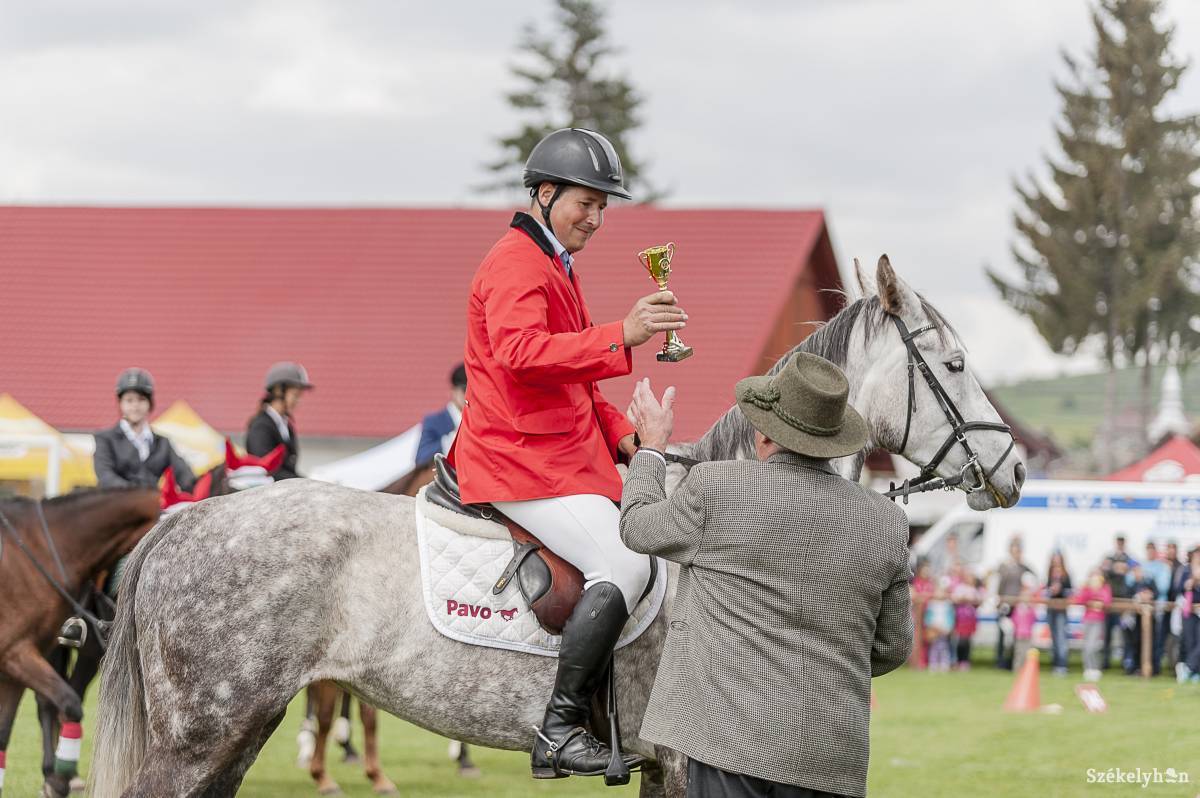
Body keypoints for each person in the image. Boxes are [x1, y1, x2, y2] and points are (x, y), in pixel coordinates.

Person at [447, 128, 688, 779]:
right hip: (516, 459)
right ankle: (557, 729)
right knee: (626, 560)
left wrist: (625, 437)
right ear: (546, 193)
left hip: (553, 453)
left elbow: (574, 383)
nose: (596, 218)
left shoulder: (554, 263)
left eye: (603, 206)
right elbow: (520, 355)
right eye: (587, 202)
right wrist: (622, 334)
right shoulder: (516, 262)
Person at [620, 354, 912, 798]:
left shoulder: (715, 488)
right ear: (835, 441)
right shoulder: (887, 522)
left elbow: (637, 527)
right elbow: (892, 647)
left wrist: (650, 449)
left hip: (726, 747)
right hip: (833, 758)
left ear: (763, 434)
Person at [94, 368, 196, 491]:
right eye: (129, 400)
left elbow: (185, 476)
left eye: (141, 399)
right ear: (120, 404)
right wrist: (138, 494)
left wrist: (204, 484)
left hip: (153, 502)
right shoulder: (105, 439)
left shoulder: (163, 443)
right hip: (117, 501)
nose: (135, 405)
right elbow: (106, 476)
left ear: (149, 403)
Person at [246, 361, 313, 480]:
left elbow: (288, 469)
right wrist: (301, 481)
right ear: (278, 391)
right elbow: (266, 469)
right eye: (295, 395)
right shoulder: (260, 427)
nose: (298, 401)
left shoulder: (286, 426)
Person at [416, 363, 467, 468]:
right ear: (453, 391)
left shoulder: (481, 422)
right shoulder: (434, 421)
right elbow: (421, 458)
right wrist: (450, 441)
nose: (469, 395)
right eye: (465, 390)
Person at [993, 538, 1033, 669]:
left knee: (1016, 635)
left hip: (1017, 606)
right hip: (1004, 605)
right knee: (1002, 634)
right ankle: (1000, 661)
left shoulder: (1023, 567)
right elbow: (998, 584)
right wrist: (998, 601)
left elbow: (1032, 578)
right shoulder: (1003, 566)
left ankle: (1013, 662)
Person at [1102, 533, 1135, 669]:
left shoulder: (1129, 559)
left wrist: (1119, 568)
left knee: (1125, 634)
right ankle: (1105, 662)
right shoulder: (1109, 557)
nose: (1120, 544)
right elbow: (1104, 570)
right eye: (1119, 542)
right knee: (1107, 634)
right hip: (1110, 601)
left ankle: (1126, 662)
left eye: (1122, 542)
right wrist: (1116, 568)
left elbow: (1134, 571)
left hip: (1123, 602)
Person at [1075, 569, 1112, 683]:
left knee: (1093, 647)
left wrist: (1096, 593)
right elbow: (1079, 600)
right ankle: (1087, 668)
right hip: (1087, 620)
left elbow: (1106, 601)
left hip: (1098, 621)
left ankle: (1095, 668)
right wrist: (1087, 589)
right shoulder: (1087, 588)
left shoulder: (1105, 588)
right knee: (1086, 646)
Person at [1044, 551, 1073, 675]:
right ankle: (1055, 664)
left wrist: (1061, 590)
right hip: (1051, 609)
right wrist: (1050, 591)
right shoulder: (1049, 574)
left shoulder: (1066, 575)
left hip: (1061, 610)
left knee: (1061, 637)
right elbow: (1045, 591)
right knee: (1054, 638)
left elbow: (1070, 592)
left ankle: (1062, 664)